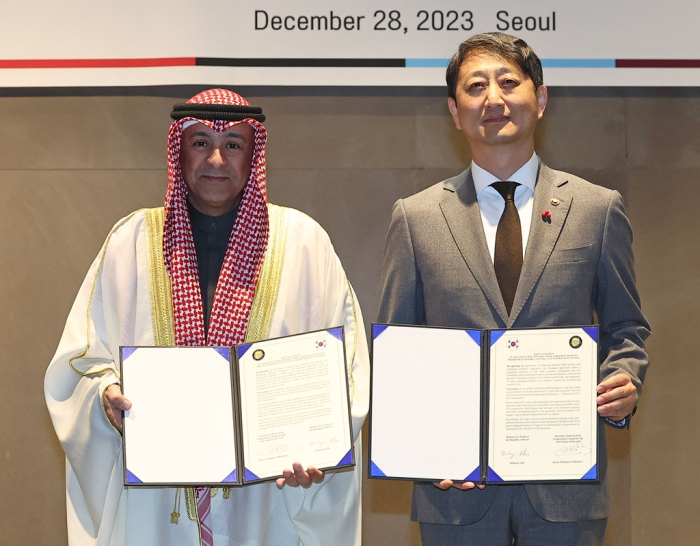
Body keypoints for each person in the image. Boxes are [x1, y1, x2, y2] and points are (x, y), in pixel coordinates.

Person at [45, 88, 369, 546]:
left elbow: (346, 369)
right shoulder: (130, 241)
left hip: (268, 497)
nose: (216, 158)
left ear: (252, 156)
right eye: (200, 142)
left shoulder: (303, 243)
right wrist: (105, 396)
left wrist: (318, 445)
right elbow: (79, 363)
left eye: (233, 144)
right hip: (153, 501)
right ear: (179, 152)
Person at [377, 33, 650, 546]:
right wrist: (419, 447)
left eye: (508, 82)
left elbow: (625, 326)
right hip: (454, 487)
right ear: (455, 112)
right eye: (475, 86)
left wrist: (623, 378)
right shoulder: (414, 217)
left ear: (540, 99)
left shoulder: (597, 208)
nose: (493, 99)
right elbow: (397, 350)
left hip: (565, 486)